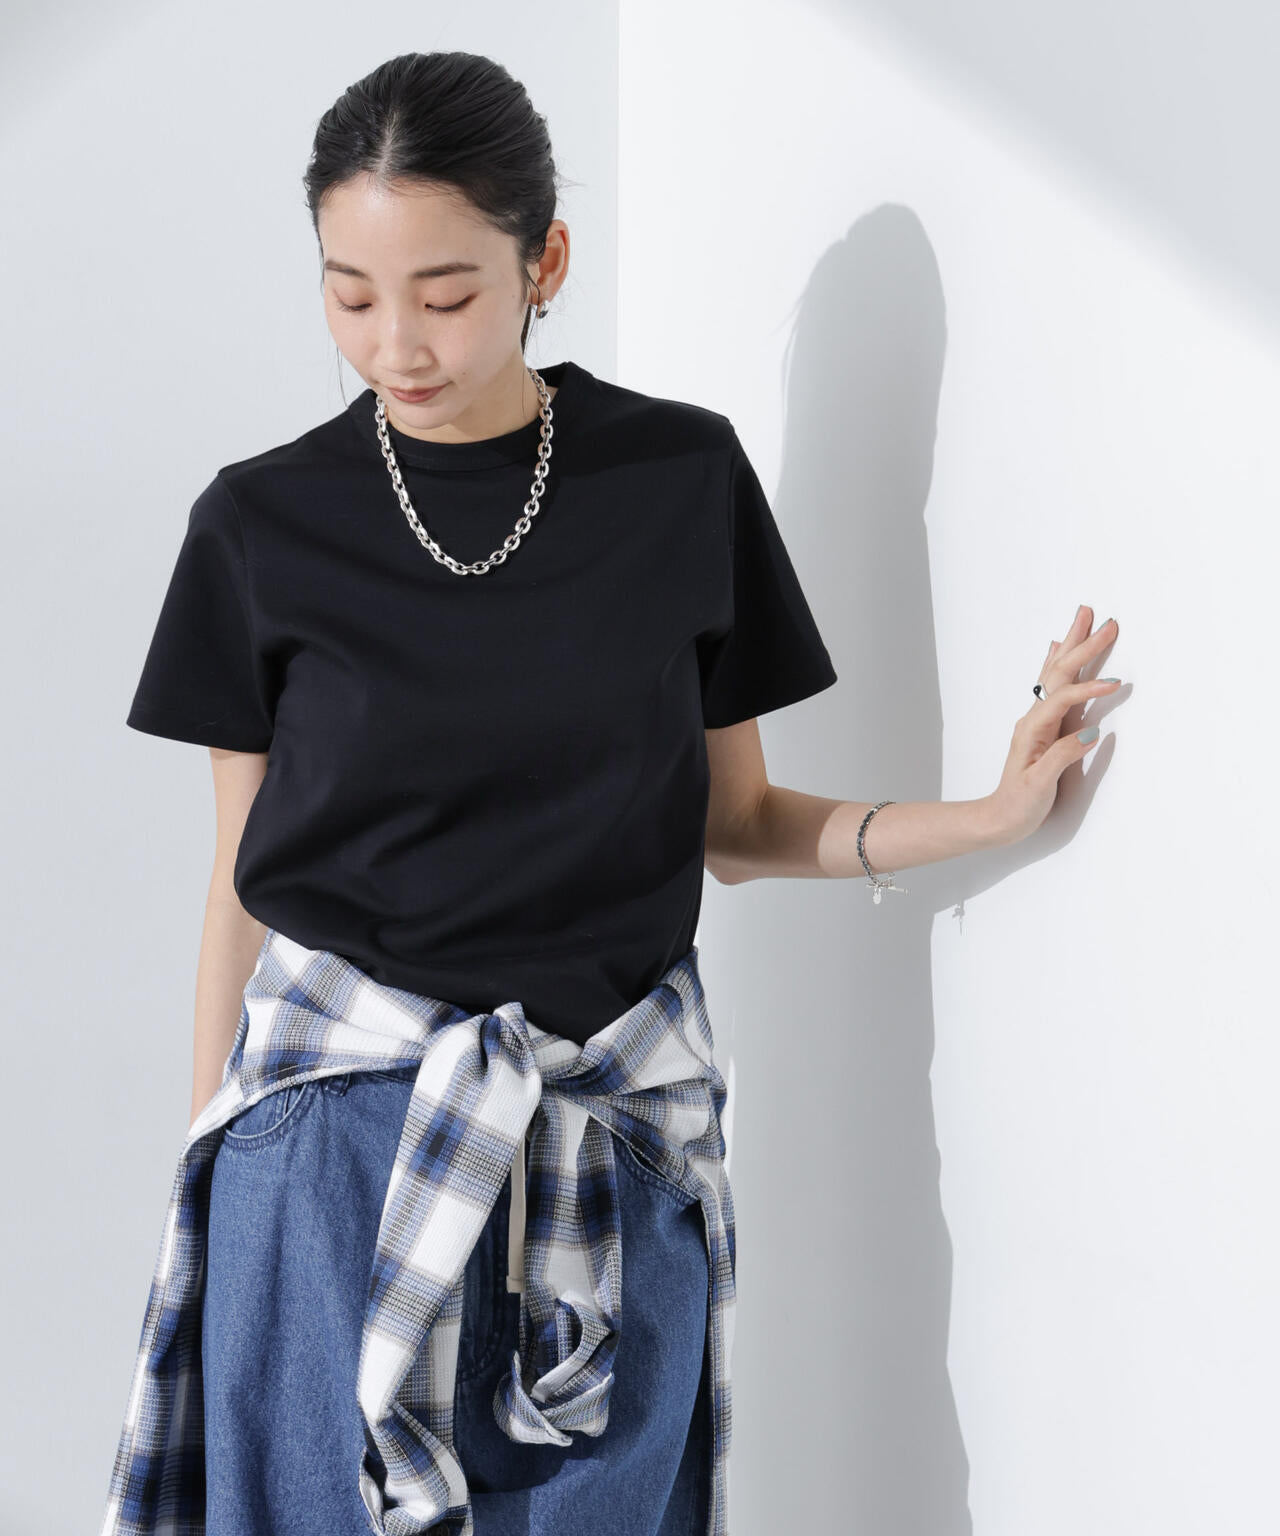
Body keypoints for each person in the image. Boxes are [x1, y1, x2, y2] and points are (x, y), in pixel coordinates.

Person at [100, 47, 1122, 1536]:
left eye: (445, 293)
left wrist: (987, 814)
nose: (396, 344)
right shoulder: (261, 523)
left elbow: (738, 825)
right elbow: (235, 892)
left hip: (608, 1150)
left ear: (547, 262)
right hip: (324, 1161)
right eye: (351, 294)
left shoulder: (677, 481)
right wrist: (212, 1160)